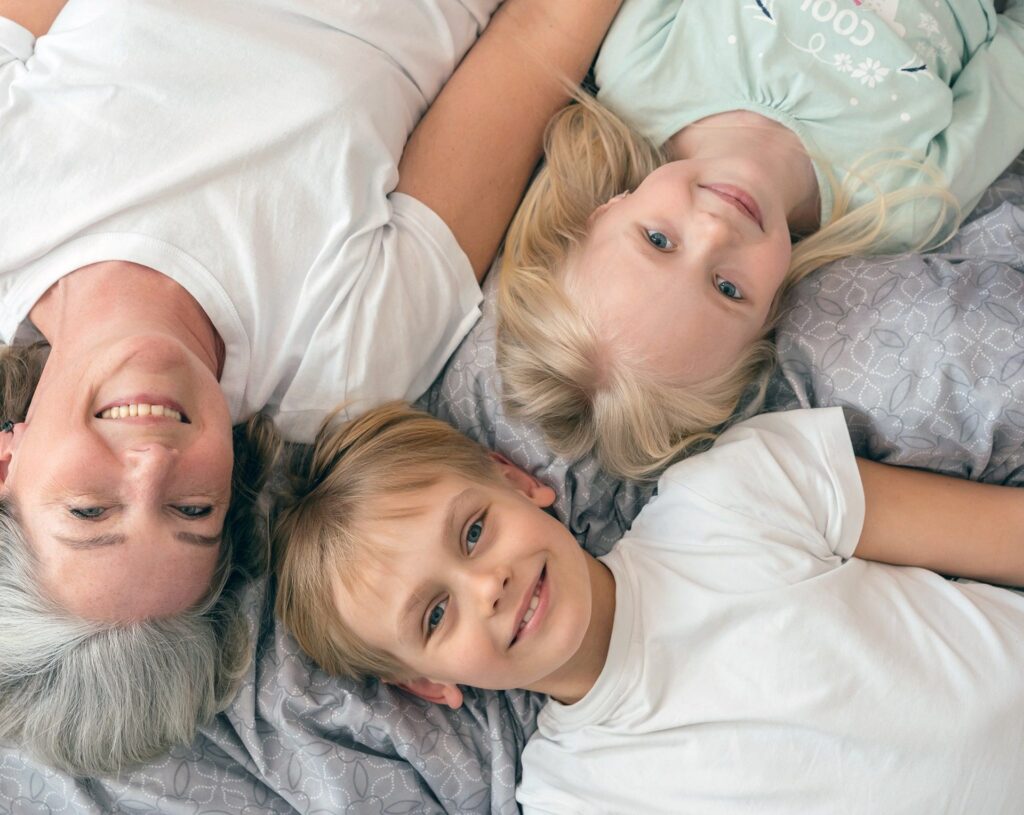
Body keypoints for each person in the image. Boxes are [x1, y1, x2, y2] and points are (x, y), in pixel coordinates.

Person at [0, 0, 625, 776]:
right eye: (192, 511)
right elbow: (538, 35)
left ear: (7, 466)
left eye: (91, 510)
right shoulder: (343, 359)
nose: (152, 464)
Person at [274, 401, 1024, 813]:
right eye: (434, 616)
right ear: (427, 686)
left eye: (473, 531)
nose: (486, 586)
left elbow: (1008, 535)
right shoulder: (575, 798)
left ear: (515, 478)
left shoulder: (732, 495)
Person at [497, 0, 1024, 480]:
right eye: (727, 289)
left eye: (658, 240)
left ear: (604, 210)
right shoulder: (901, 204)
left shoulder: (642, 71)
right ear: (771, 314)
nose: (716, 231)